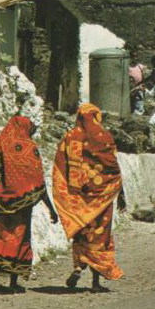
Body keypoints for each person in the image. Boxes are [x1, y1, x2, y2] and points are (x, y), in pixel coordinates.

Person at [0, 116, 59, 293]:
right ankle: (13, 282)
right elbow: (37, 181)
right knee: (18, 237)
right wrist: (51, 209)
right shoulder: (29, 147)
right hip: (21, 205)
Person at [52, 103, 126, 293]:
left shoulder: (70, 137)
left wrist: (69, 192)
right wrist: (120, 193)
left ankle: (78, 267)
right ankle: (95, 281)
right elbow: (113, 168)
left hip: (80, 199)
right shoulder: (105, 138)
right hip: (102, 198)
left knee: (82, 233)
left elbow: (61, 165)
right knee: (100, 236)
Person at [128, 51, 146, 115]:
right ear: (130, 57)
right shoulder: (128, 67)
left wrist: (143, 86)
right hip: (130, 88)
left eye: (136, 56)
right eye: (133, 57)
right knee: (130, 104)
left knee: (139, 102)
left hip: (139, 87)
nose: (135, 58)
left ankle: (138, 116)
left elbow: (145, 77)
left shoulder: (141, 67)